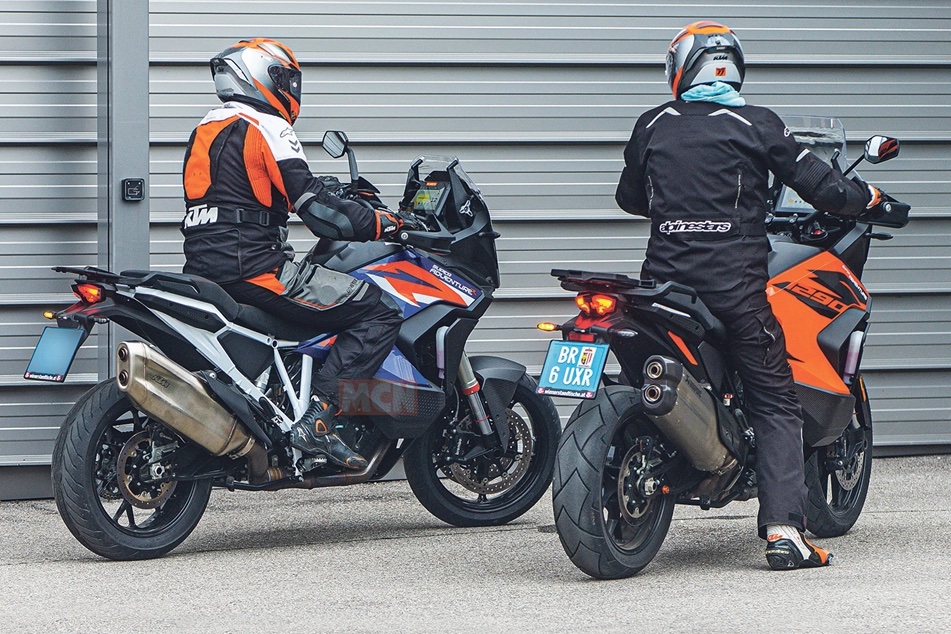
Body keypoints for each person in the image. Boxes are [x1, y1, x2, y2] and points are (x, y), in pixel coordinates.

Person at [615, 21, 882, 570]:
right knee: (776, 400)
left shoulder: (653, 124)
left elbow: (630, 198)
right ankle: (786, 532)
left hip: (662, 286)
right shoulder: (757, 124)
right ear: (733, 68)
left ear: (679, 70)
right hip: (734, 288)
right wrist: (867, 195)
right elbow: (825, 189)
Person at [181, 38, 404, 470]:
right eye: (286, 79)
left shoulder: (206, 128)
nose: (291, 89)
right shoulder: (269, 125)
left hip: (207, 270)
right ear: (265, 77)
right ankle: (319, 420)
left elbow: (248, 189)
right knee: (379, 310)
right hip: (260, 270)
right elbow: (320, 213)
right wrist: (383, 222)